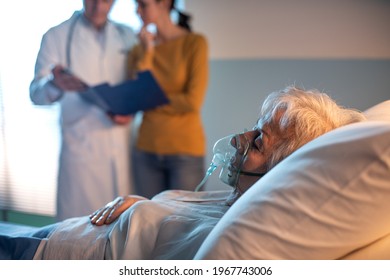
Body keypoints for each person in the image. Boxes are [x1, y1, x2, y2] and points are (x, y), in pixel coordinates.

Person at [5, 86, 365, 260]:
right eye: (254, 128)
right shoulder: (238, 199)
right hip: (70, 234)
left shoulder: (246, 231)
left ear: (280, 173)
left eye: (258, 143)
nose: (240, 140)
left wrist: (142, 212)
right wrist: (143, 205)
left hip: (61, 253)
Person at [29, 0, 138, 221]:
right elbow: (35, 94)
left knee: (120, 237)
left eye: (106, 0)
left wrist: (132, 110)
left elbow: (135, 85)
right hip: (81, 153)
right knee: (77, 235)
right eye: (93, 0)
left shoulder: (128, 36)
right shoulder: (56, 36)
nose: (98, 7)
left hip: (121, 149)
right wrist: (54, 83)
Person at [127, 0, 209, 198]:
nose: (137, 10)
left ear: (164, 3)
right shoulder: (138, 51)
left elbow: (192, 101)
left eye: (143, 4)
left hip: (185, 153)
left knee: (184, 224)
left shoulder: (194, 43)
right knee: (146, 222)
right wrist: (147, 51)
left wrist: (151, 98)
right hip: (145, 150)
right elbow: (137, 96)